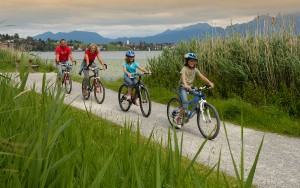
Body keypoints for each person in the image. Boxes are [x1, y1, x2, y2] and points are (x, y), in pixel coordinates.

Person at [176, 52, 214, 128]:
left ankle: (196, 108)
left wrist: (210, 82)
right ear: (187, 61)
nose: (193, 62)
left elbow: (202, 77)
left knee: (201, 95)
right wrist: (186, 85)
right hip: (183, 87)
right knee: (185, 102)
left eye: (194, 61)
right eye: (191, 61)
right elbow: (183, 78)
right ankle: (179, 118)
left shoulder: (195, 70)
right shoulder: (184, 69)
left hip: (191, 87)